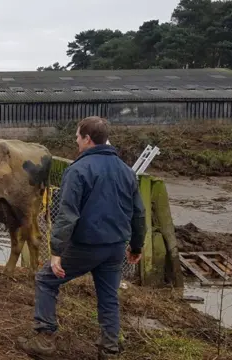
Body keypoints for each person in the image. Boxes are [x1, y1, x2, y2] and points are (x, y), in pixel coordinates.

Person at [16, 116, 146, 360]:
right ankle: (109, 348)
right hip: (115, 247)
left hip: (86, 245)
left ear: (87, 139)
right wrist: (136, 246)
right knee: (108, 296)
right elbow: (139, 213)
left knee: (46, 279)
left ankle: (44, 339)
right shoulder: (127, 171)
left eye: (77, 136)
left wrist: (56, 252)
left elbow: (67, 215)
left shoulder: (78, 170)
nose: (75, 141)